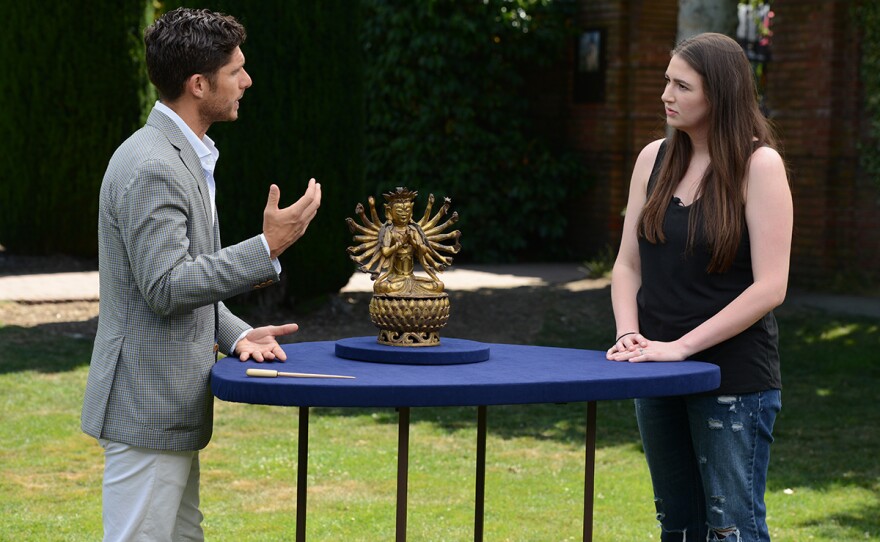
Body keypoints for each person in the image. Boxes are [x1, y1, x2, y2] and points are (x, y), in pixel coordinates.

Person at [80, 8, 321, 541]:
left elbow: (178, 283)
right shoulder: (153, 165)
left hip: (163, 406)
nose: (246, 81)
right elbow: (166, 287)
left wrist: (236, 335)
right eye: (236, 70)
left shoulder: (183, 154)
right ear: (197, 84)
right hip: (146, 402)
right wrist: (267, 248)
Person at [605, 33, 792, 541]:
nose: (666, 94)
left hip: (730, 379)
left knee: (733, 529)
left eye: (681, 86)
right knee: (678, 526)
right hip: (655, 374)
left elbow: (770, 287)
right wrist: (628, 336)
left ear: (720, 95)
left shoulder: (760, 166)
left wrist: (681, 349)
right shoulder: (653, 159)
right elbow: (627, 265)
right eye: (667, 80)